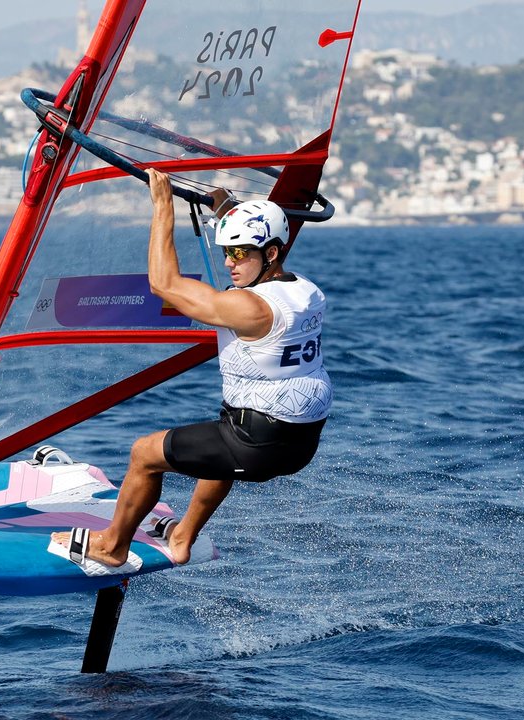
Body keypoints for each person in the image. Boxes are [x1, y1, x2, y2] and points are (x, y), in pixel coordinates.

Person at [52, 168, 332, 567]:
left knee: (144, 454)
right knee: (217, 443)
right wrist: (226, 209)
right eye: (226, 252)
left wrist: (163, 205)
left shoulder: (249, 308)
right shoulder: (305, 291)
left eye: (239, 254)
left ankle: (112, 546)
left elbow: (164, 285)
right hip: (299, 441)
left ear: (270, 254)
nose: (230, 263)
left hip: (258, 444)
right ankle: (182, 536)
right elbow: (253, 243)